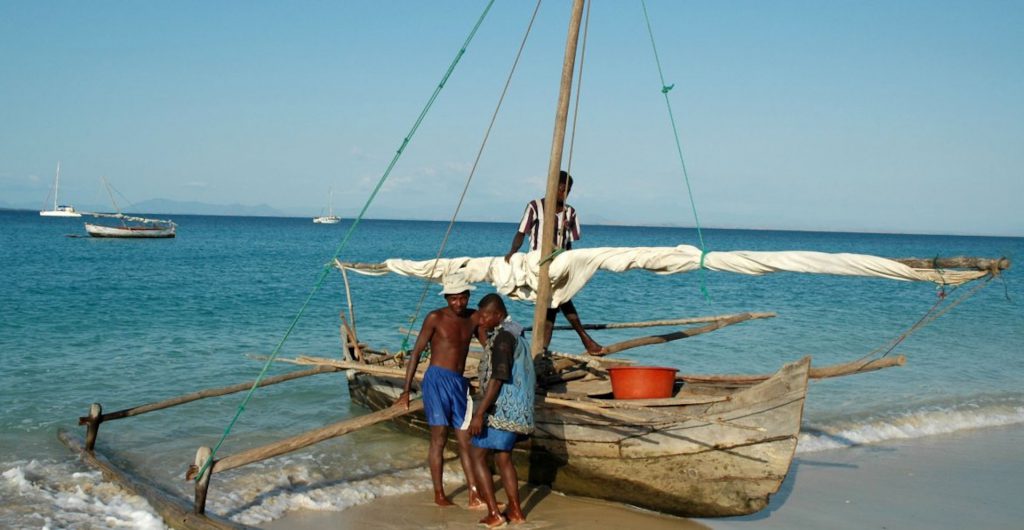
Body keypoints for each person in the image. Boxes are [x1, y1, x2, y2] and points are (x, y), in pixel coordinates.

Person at [393, 271, 482, 508]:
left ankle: (474, 493)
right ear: (446, 298)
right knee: (439, 438)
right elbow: (416, 353)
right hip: (436, 381)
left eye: (462, 297)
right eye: (453, 298)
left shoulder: (474, 318)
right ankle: (439, 494)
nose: (458, 303)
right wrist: (405, 390)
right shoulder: (435, 318)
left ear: (468, 295)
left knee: (466, 440)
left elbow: (490, 346)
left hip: (459, 383)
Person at [504, 170, 603, 353]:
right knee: (559, 301)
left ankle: (543, 350)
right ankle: (584, 338)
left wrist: (572, 267)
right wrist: (512, 252)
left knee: (554, 306)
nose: (564, 194)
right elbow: (521, 232)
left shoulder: (570, 212)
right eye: (562, 189)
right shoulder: (535, 207)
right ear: (553, 187)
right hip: (539, 262)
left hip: (561, 262)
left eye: (568, 190)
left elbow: (569, 243)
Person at [468, 293, 535, 527]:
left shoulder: (504, 339)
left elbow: (497, 378)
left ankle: (495, 513)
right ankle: (516, 511)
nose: (481, 320)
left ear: (498, 315)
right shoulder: (515, 331)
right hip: (519, 408)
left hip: (503, 409)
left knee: (476, 455)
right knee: (503, 457)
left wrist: (479, 415)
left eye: (485, 316)